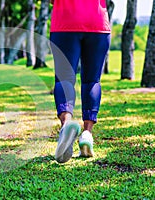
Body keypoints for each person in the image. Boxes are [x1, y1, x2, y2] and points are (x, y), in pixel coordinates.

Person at [49, 0, 111, 163]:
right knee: (92, 80)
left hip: (65, 22)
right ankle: (87, 134)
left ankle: (66, 124)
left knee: (64, 79)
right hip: (97, 23)